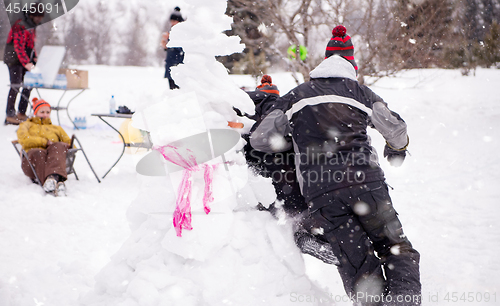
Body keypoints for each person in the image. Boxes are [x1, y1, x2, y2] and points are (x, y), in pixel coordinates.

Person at [250, 26, 421, 306]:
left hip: (323, 195)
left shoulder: (297, 95)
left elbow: (259, 139)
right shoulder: (360, 93)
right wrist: (397, 149)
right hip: (368, 186)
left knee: (360, 269)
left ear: (323, 63)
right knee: (397, 250)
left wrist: (292, 139)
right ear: (351, 65)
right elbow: (396, 129)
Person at [236, 75, 339, 265]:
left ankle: (300, 232)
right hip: (294, 168)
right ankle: (312, 233)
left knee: (275, 198)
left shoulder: (252, 102)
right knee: (297, 203)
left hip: (266, 164)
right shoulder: (285, 107)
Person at [17, 98, 72, 196]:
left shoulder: (57, 128)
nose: (45, 115)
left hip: (53, 158)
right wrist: (45, 142)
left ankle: (52, 180)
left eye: (48, 112)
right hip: (32, 162)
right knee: (39, 152)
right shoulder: (26, 125)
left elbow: (70, 143)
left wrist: (62, 146)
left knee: (58, 146)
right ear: (35, 112)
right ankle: (57, 181)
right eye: (42, 112)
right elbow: (24, 139)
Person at [3, 8, 44, 125]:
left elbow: (31, 44)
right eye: (37, 17)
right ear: (31, 15)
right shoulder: (20, 25)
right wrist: (27, 63)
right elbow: (18, 46)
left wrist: (34, 57)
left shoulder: (32, 26)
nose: (39, 19)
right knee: (16, 84)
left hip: (24, 59)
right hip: (14, 59)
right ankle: (10, 114)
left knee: (28, 84)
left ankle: (21, 112)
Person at [161, 7, 185, 90]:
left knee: (177, 91)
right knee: (172, 90)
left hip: (177, 65)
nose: (172, 23)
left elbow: (182, 48)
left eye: (174, 21)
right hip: (171, 64)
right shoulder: (171, 31)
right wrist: (166, 45)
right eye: (171, 21)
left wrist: (170, 43)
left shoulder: (182, 32)